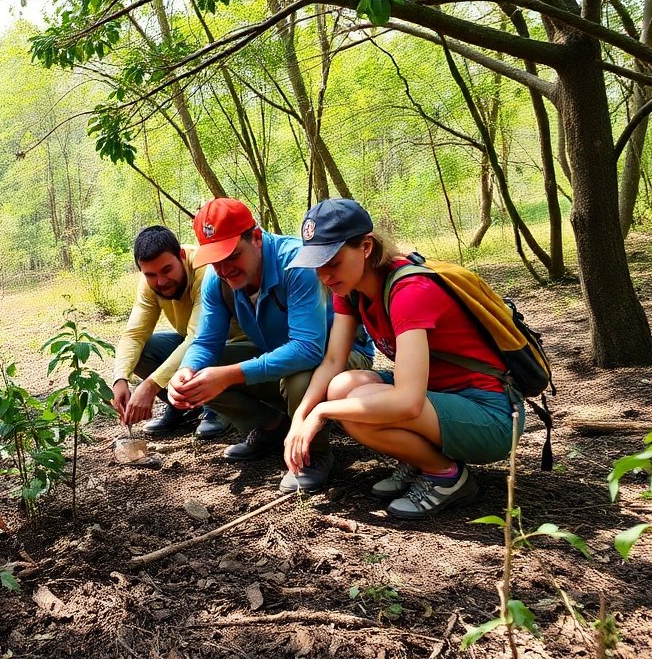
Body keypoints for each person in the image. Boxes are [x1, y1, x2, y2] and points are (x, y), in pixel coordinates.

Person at [282, 198, 521, 519]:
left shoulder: (408, 291)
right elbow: (333, 362)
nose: (324, 275)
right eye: (317, 264)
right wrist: (300, 416)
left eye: (332, 261)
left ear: (365, 247)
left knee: (351, 411)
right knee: (342, 386)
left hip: (489, 415)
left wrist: (321, 412)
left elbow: (408, 402)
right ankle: (418, 459)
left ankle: (446, 476)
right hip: (438, 399)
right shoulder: (350, 290)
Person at [168, 198, 374, 492]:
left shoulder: (295, 263)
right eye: (216, 261)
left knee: (298, 377)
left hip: (338, 356)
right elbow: (206, 340)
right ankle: (270, 426)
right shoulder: (218, 279)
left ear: (256, 238)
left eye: (232, 256)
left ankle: (313, 455)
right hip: (279, 354)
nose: (225, 269)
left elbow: (308, 349)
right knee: (201, 372)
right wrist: (188, 370)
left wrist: (230, 375)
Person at [110, 226, 243, 439]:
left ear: (181, 255)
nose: (161, 281)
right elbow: (134, 334)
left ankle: (218, 409)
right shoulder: (149, 283)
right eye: (151, 274)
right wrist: (120, 379)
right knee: (145, 350)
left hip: (230, 347)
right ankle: (184, 407)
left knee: (204, 351)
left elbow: (199, 338)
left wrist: (151, 385)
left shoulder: (205, 269)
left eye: (167, 270)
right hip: (194, 344)